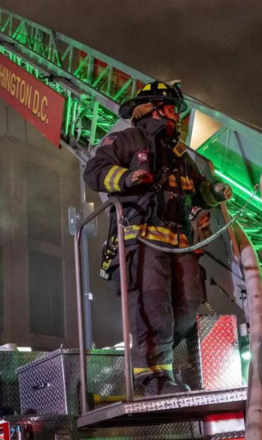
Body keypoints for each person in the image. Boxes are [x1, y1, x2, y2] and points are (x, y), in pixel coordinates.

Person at [84, 81, 232, 395]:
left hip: (180, 244)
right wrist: (126, 177)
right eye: (171, 109)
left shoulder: (179, 154)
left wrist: (214, 192)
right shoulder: (127, 140)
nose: (177, 116)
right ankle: (151, 379)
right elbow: (94, 171)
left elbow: (200, 190)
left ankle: (162, 364)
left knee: (189, 306)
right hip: (142, 241)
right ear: (153, 108)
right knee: (153, 310)